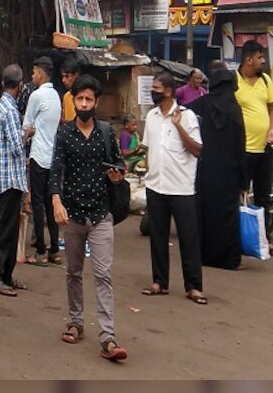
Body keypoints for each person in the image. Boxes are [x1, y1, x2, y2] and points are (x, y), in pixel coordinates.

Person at [50, 74, 128, 362]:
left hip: (100, 214)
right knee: (72, 271)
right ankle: (76, 322)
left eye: (89, 99)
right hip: (71, 214)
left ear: (96, 102)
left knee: (103, 274)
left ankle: (108, 336)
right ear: (73, 101)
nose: (84, 103)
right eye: (79, 99)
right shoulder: (64, 134)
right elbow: (55, 171)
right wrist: (56, 201)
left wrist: (117, 175)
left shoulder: (107, 132)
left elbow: (119, 166)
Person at [141, 72, 207, 304]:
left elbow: (197, 150)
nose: (154, 91)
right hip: (156, 186)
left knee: (188, 238)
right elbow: (148, 147)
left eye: (157, 87)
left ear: (168, 91)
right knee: (157, 237)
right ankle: (159, 282)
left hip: (181, 188)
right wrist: (147, 174)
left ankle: (194, 287)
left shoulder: (187, 117)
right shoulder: (151, 117)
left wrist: (178, 127)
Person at [190, 64, 247, 271]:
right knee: (228, 215)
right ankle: (228, 259)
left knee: (204, 211)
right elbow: (241, 145)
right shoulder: (234, 109)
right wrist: (244, 179)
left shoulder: (200, 105)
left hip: (205, 169)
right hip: (229, 171)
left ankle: (205, 255)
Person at [0, 64, 29, 296]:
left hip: (7, 177)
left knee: (9, 230)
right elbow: (16, 146)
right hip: (10, 178)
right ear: (20, 85)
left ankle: (5, 275)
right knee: (5, 230)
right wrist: (27, 134)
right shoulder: (10, 110)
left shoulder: (2, 106)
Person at [22, 56, 62, 266]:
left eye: (34, 72)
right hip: (52, 157)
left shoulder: (37, 96)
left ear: (42, 74)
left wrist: (23, 141)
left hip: (38, 155)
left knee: (37, 203)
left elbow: (26, 125)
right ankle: (54, 249)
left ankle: (39, 250)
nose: (32, 76)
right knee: (50, 202)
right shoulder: (56, 96)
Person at [233, 40, 273, 236]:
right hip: (242, 150)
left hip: (264, 149)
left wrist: (271, 130)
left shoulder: (266, 80)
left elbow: (271, 107)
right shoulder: (233, 81)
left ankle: (263, 236)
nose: (263, 61)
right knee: (238, 193)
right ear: (248, 60)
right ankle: (237, 235)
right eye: (260, 57)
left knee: (263, 195)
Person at [59, 59, 80, 124]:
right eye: (63, 76)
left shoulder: (83, 97)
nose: (63, 80)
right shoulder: (66, 96)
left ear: (76, 75)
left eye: (67, 76)